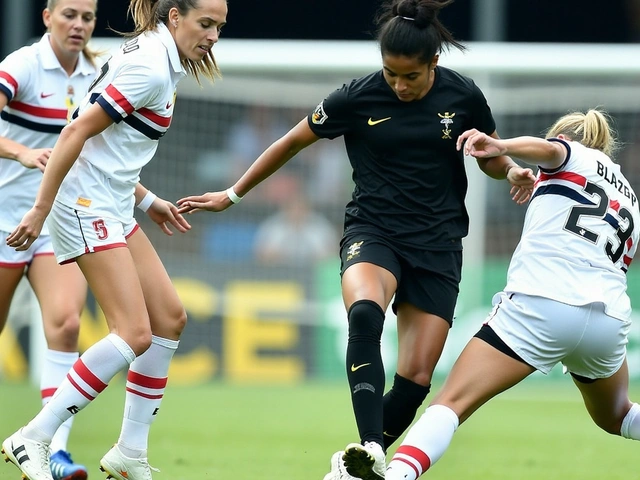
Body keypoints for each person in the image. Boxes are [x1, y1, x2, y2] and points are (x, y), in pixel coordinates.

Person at [177, 0, 535, 478]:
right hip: (375, 230)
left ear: (434, 63)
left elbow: (488, 153)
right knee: (365, 310)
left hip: (438, 243)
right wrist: (233, 194)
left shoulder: (463, 95)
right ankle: (369, 445)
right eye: (391, 74)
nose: (400, 86)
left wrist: (508, 167)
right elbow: (291, 141)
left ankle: (350, 470)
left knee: (416, 379)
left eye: (411, 76)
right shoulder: (356, 98)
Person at [1, 0, 227, 479]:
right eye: (205, 24)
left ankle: (129, 453)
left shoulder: (161, 57)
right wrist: (40, 209)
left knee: (168, 318)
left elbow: (111, 150)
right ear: (175, 18)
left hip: (112, 201)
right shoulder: (149, 65)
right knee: (133, 333)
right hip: (84, 204)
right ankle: (34, 437)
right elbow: (76, 132)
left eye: (219, 27)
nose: (213, 36)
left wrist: (148, 202)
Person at [384, 109, 640, 480]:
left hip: (545, 302)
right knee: (617, 415)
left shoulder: (572, 154)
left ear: (565, 139)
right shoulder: (629, 195)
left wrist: (501, 145)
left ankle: (394, 476)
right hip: (609, 320)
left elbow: (551, 151)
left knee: (450, 403)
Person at [0, 1, 100, 478]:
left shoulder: (95, 74)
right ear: (46, 17)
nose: (79, 25)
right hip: (3, 221)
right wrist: (19, 151)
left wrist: (144, 199)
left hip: (53, 224)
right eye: (70, 15)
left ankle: (50, 451)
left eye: (88, 17)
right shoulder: (20, 66)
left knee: (65, 325)